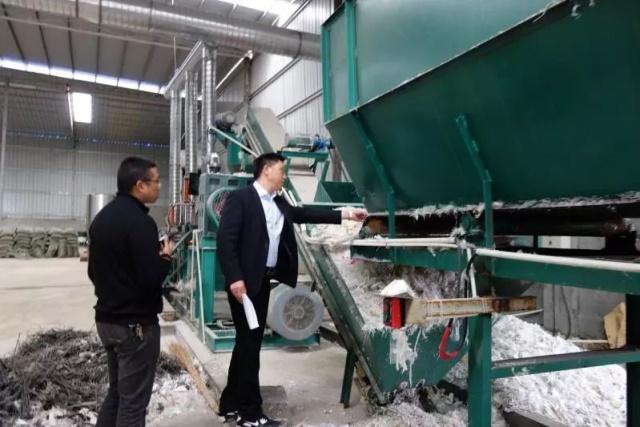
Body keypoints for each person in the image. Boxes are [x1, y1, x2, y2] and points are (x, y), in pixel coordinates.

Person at [216, 152, 367, 427]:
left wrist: (346, 214)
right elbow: (225, 241)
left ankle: (230, 404)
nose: (284, 176)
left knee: (246, 343)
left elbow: (304, 213)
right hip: (244, 286)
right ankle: (251, 415)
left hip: (262, 282)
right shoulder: (241, 199)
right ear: (266, 170)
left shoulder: (279, 202)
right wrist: (235, 278)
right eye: (281, 170)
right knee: (250, 346)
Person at [88, 156, 174, 427]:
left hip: (107, 321)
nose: (159, 186)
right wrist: (165, 258)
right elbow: (150, 279)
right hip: (135, 328)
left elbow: (92, 272)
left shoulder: (101, 219)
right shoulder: (141, 223)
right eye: (156, 181)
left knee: (117, 394)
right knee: (133, 405)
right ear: (140, 185)